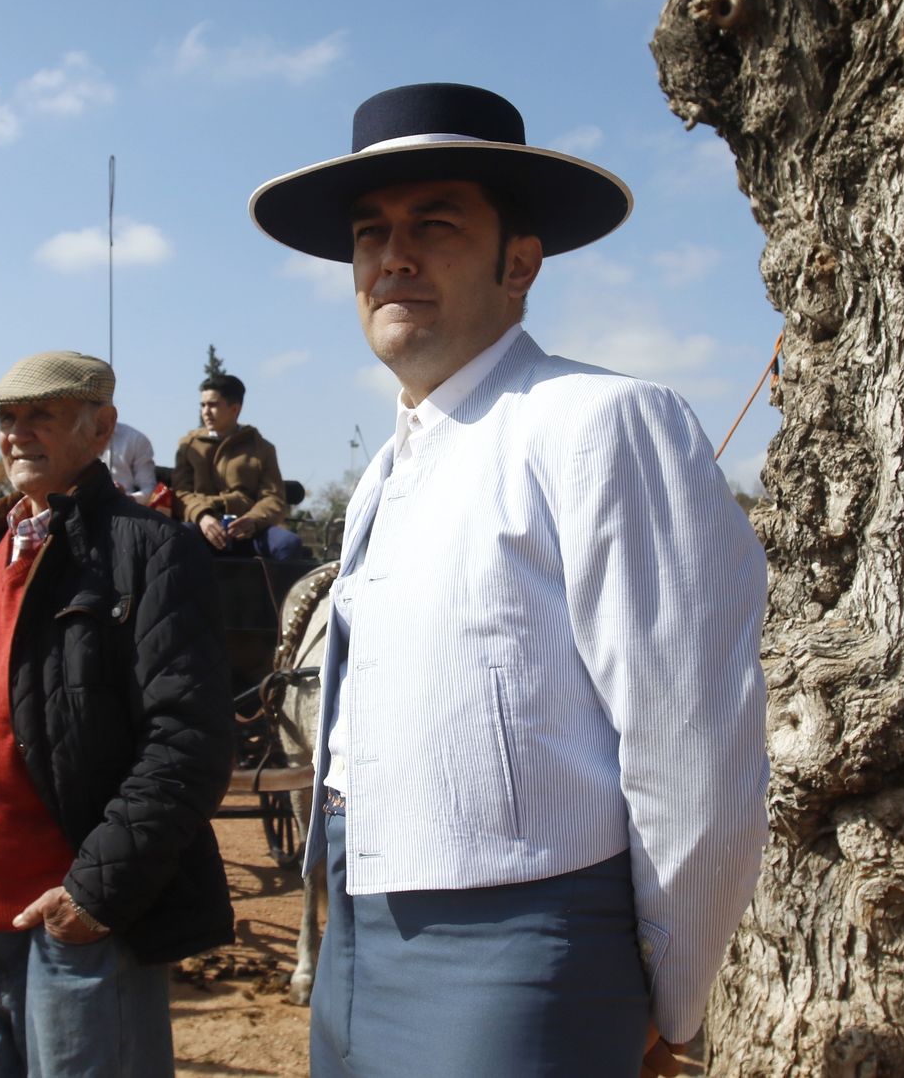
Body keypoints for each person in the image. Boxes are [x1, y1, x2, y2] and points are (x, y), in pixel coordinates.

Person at [249, 82, 770, 1077]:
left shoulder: (601, 422)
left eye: (434, 222)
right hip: (355, 938)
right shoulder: (384, 476)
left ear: (520, 260)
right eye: (369, 232)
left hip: (522, 955)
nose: (391, 255)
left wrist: (672, 988)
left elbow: (693, 749)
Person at [0, 350, 235, 1076]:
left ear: (101, 426)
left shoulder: (149, 552)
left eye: (40, 415)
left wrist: (95, 893)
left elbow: (188, 740)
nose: (17, 434)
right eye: (7, 419)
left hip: (70, 928)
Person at [173, 373, 306, 560]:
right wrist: (202, 517)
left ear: (234, 408)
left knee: (288, 544)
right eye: (203, 405)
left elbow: (274, 497)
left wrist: (253, 520)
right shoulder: (189, 446)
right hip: (204, 527)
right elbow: (181, 493)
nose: (205, 411)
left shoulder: (261, 448)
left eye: (213, 405)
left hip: (249, 531)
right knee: (180, 537)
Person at [103, 419, 157, 504]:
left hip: (123, 509)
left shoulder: (136, 440)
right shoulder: (75, 439)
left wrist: (126, 498)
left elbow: (150, 490)